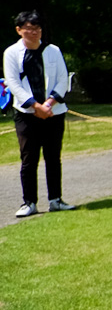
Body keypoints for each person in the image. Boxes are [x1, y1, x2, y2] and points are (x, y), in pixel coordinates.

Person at [3, 11, 75, 217]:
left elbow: (62, 79)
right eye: (29, 29)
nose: (33, 32)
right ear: (19, 30)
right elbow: (13, 83)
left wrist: (49, 103)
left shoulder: (53, 50)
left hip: (54, 112)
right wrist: (36, 106)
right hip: (26, 113)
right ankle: (29, 202)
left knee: (53, 157)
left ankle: (56, 199)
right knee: (29, 158)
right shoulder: (11, 53)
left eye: (37, 29)